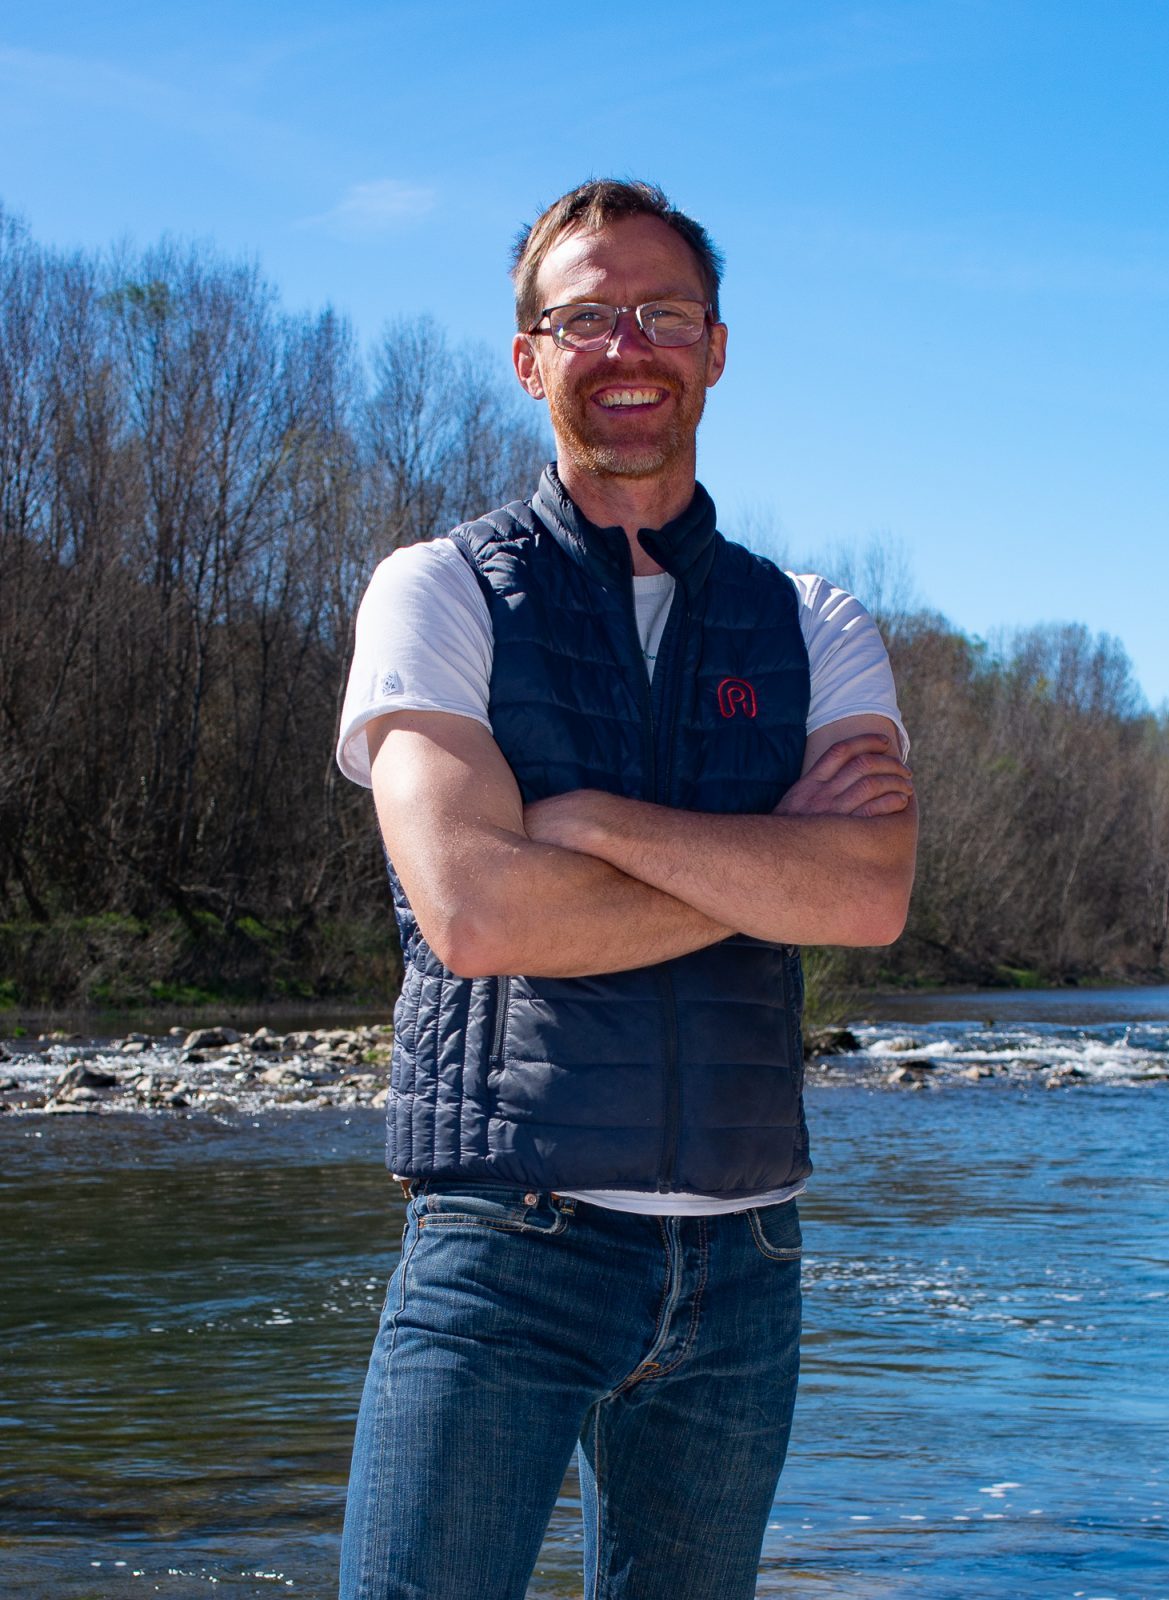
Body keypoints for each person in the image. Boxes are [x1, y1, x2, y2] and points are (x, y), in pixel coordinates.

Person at [335, 178, 917, 1600]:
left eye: (659, 312)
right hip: (501, 1251)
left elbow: (869, 896)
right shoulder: (440, 593)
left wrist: (588, 820)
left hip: (746, 1262)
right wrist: (771, 864)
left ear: (717, 348)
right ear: (528, 357)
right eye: (585, 316)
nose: (625, 346)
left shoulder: (815, 623)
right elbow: (478, 913)